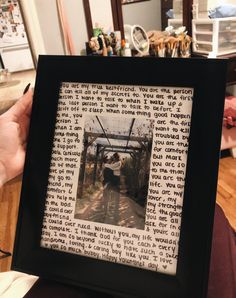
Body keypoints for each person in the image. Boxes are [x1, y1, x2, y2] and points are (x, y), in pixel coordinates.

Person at [0, 91, 235, 298]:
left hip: (79, 257)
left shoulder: (111, 165)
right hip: (109, 203)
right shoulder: (111, 164)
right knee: (213, 224)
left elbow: (112, 176)